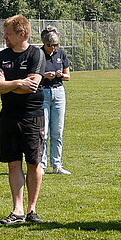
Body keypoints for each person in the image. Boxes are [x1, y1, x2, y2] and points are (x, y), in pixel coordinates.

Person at [0, 15, 46, 225]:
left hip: (32, 117)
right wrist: (18, 83)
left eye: (8, 33)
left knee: (33, 163)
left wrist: (9, 83)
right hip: (8, 117)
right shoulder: (0, 56)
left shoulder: (36, 54)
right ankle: (18, 210)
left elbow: (32, 86)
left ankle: (32, 209)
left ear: (21, 34)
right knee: (13, 164)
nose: (5, 36)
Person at [40, 26, 73, 174]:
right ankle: (41, 165)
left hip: (59, 92)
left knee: (57, 131)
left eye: (55, 45)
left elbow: (68, 76)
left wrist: (60, 75)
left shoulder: (61, 54)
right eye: (49, 45)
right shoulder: (38, 54)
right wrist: (44, 75)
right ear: (44, 43)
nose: (52, 48)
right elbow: (33, 75)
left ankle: (57, 165)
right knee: (43, 132)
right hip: (43, 93)